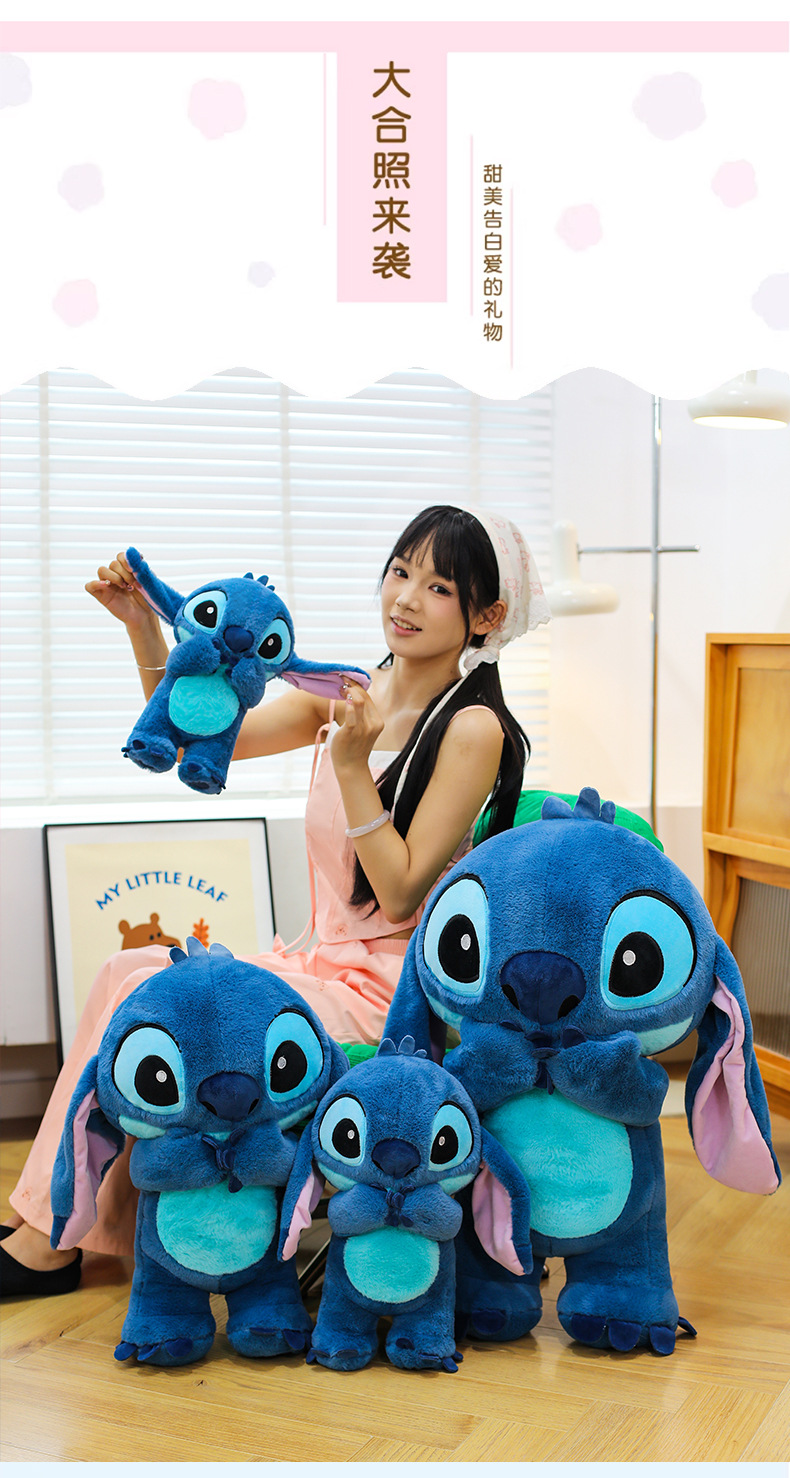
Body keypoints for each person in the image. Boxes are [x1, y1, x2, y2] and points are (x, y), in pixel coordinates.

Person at [1, 504, 550, 1296]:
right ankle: (59, 1222)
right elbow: (192, 734)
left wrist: (354, 765)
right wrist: (141, 628)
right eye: (400, 572)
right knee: (128, 970)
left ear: (486, 617)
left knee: (160, 999)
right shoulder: (354, 692)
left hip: (388, 994)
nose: (404, 598)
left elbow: (400, 893)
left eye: (438, 587)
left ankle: (51, 1240)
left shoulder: (472, 729)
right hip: (317, 962)